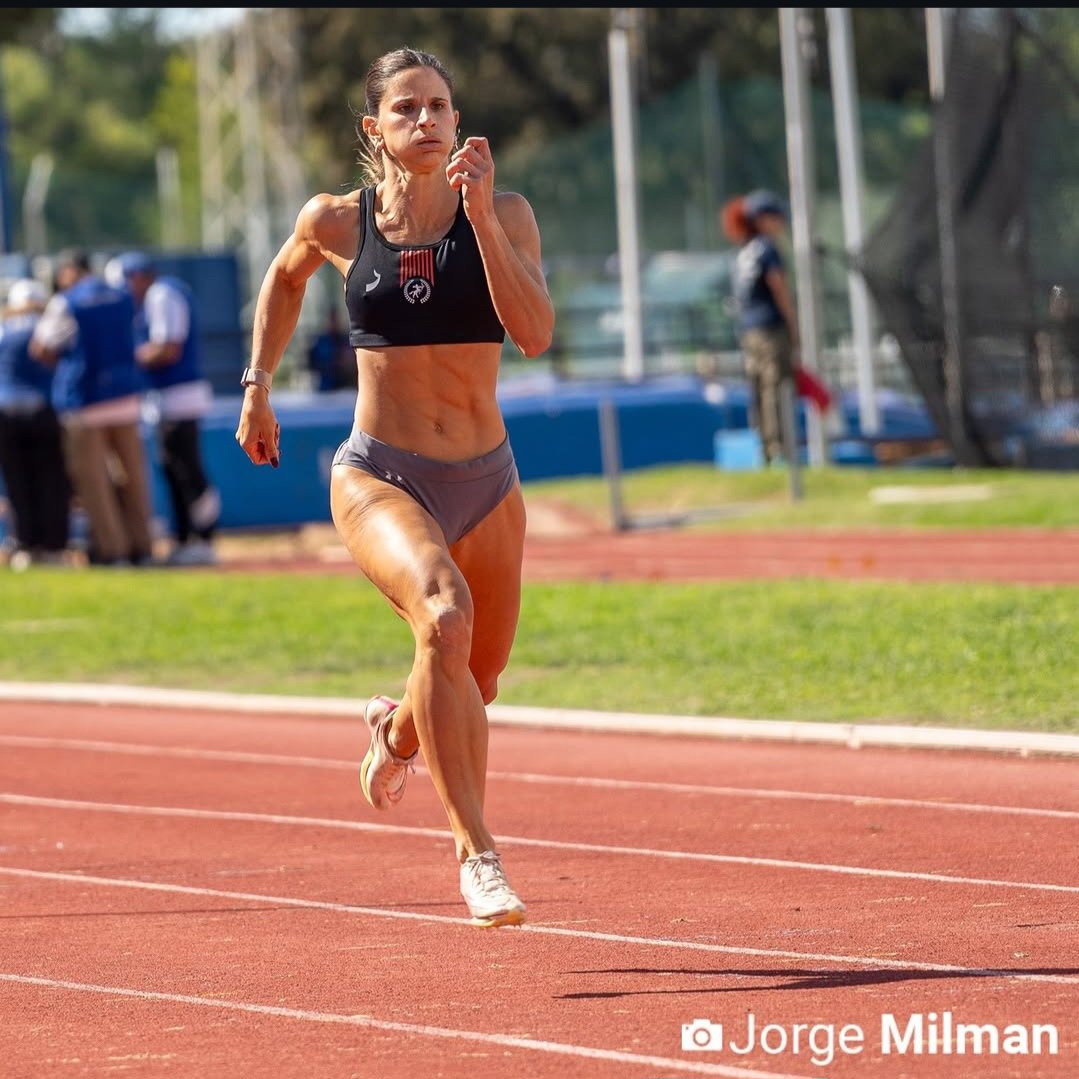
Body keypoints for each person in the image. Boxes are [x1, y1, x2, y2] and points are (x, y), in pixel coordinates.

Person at [235, 47, 554, 927]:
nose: (426, 121)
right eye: (407, 108)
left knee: (474, 677)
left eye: (440, 107)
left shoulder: (508, 212)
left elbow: (532, 333)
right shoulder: (339, 221)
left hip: (486, 479)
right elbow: (284, 277)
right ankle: (477, 855)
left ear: (459, 122)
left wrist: (483, 219)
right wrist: (257, 383)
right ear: (375, 128)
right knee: (442, 618)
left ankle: (396, 731)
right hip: (380, 471)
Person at [29, 249, 156, 567]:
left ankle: (114, 550)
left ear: (69, 271)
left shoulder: (67, 302)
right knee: (134, 478)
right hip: (126, 397)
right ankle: (142, 546)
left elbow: (42, 348)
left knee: (94, 483)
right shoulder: (121, 296)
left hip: (85, 401)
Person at [115, 251, 221, 566]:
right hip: (167, 397)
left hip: (179, 396)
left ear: (138, 276)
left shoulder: (162, 294)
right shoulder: (158, 296)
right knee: (173, 468)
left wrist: (127, 360)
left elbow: (168, 347)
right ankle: (186, 536)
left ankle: (203, 537)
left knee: (187, 469)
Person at [722, 189, 801, 465]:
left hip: (749, 330)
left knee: (758, 388)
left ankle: (764, 446)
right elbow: (778, 287)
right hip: (770, 328)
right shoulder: (767, 249)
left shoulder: (745, 251)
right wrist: (793, 325)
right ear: (764, 219)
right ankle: (779, 448)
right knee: (775, 387)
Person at [0, 278, 71, 569]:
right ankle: (52, 546)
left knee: (18, 483)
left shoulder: (4, 328)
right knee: (51, 481)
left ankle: (25, 544)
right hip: (43, 410)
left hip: (5, 411)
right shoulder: (49, 326)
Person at [306, 303, 356, 392]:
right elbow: (312, 363)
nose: (334, 323)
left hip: (345, 388)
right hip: (325, 387)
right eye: (332, 319)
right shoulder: (321, 342)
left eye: (336, 319)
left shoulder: (346, 340)